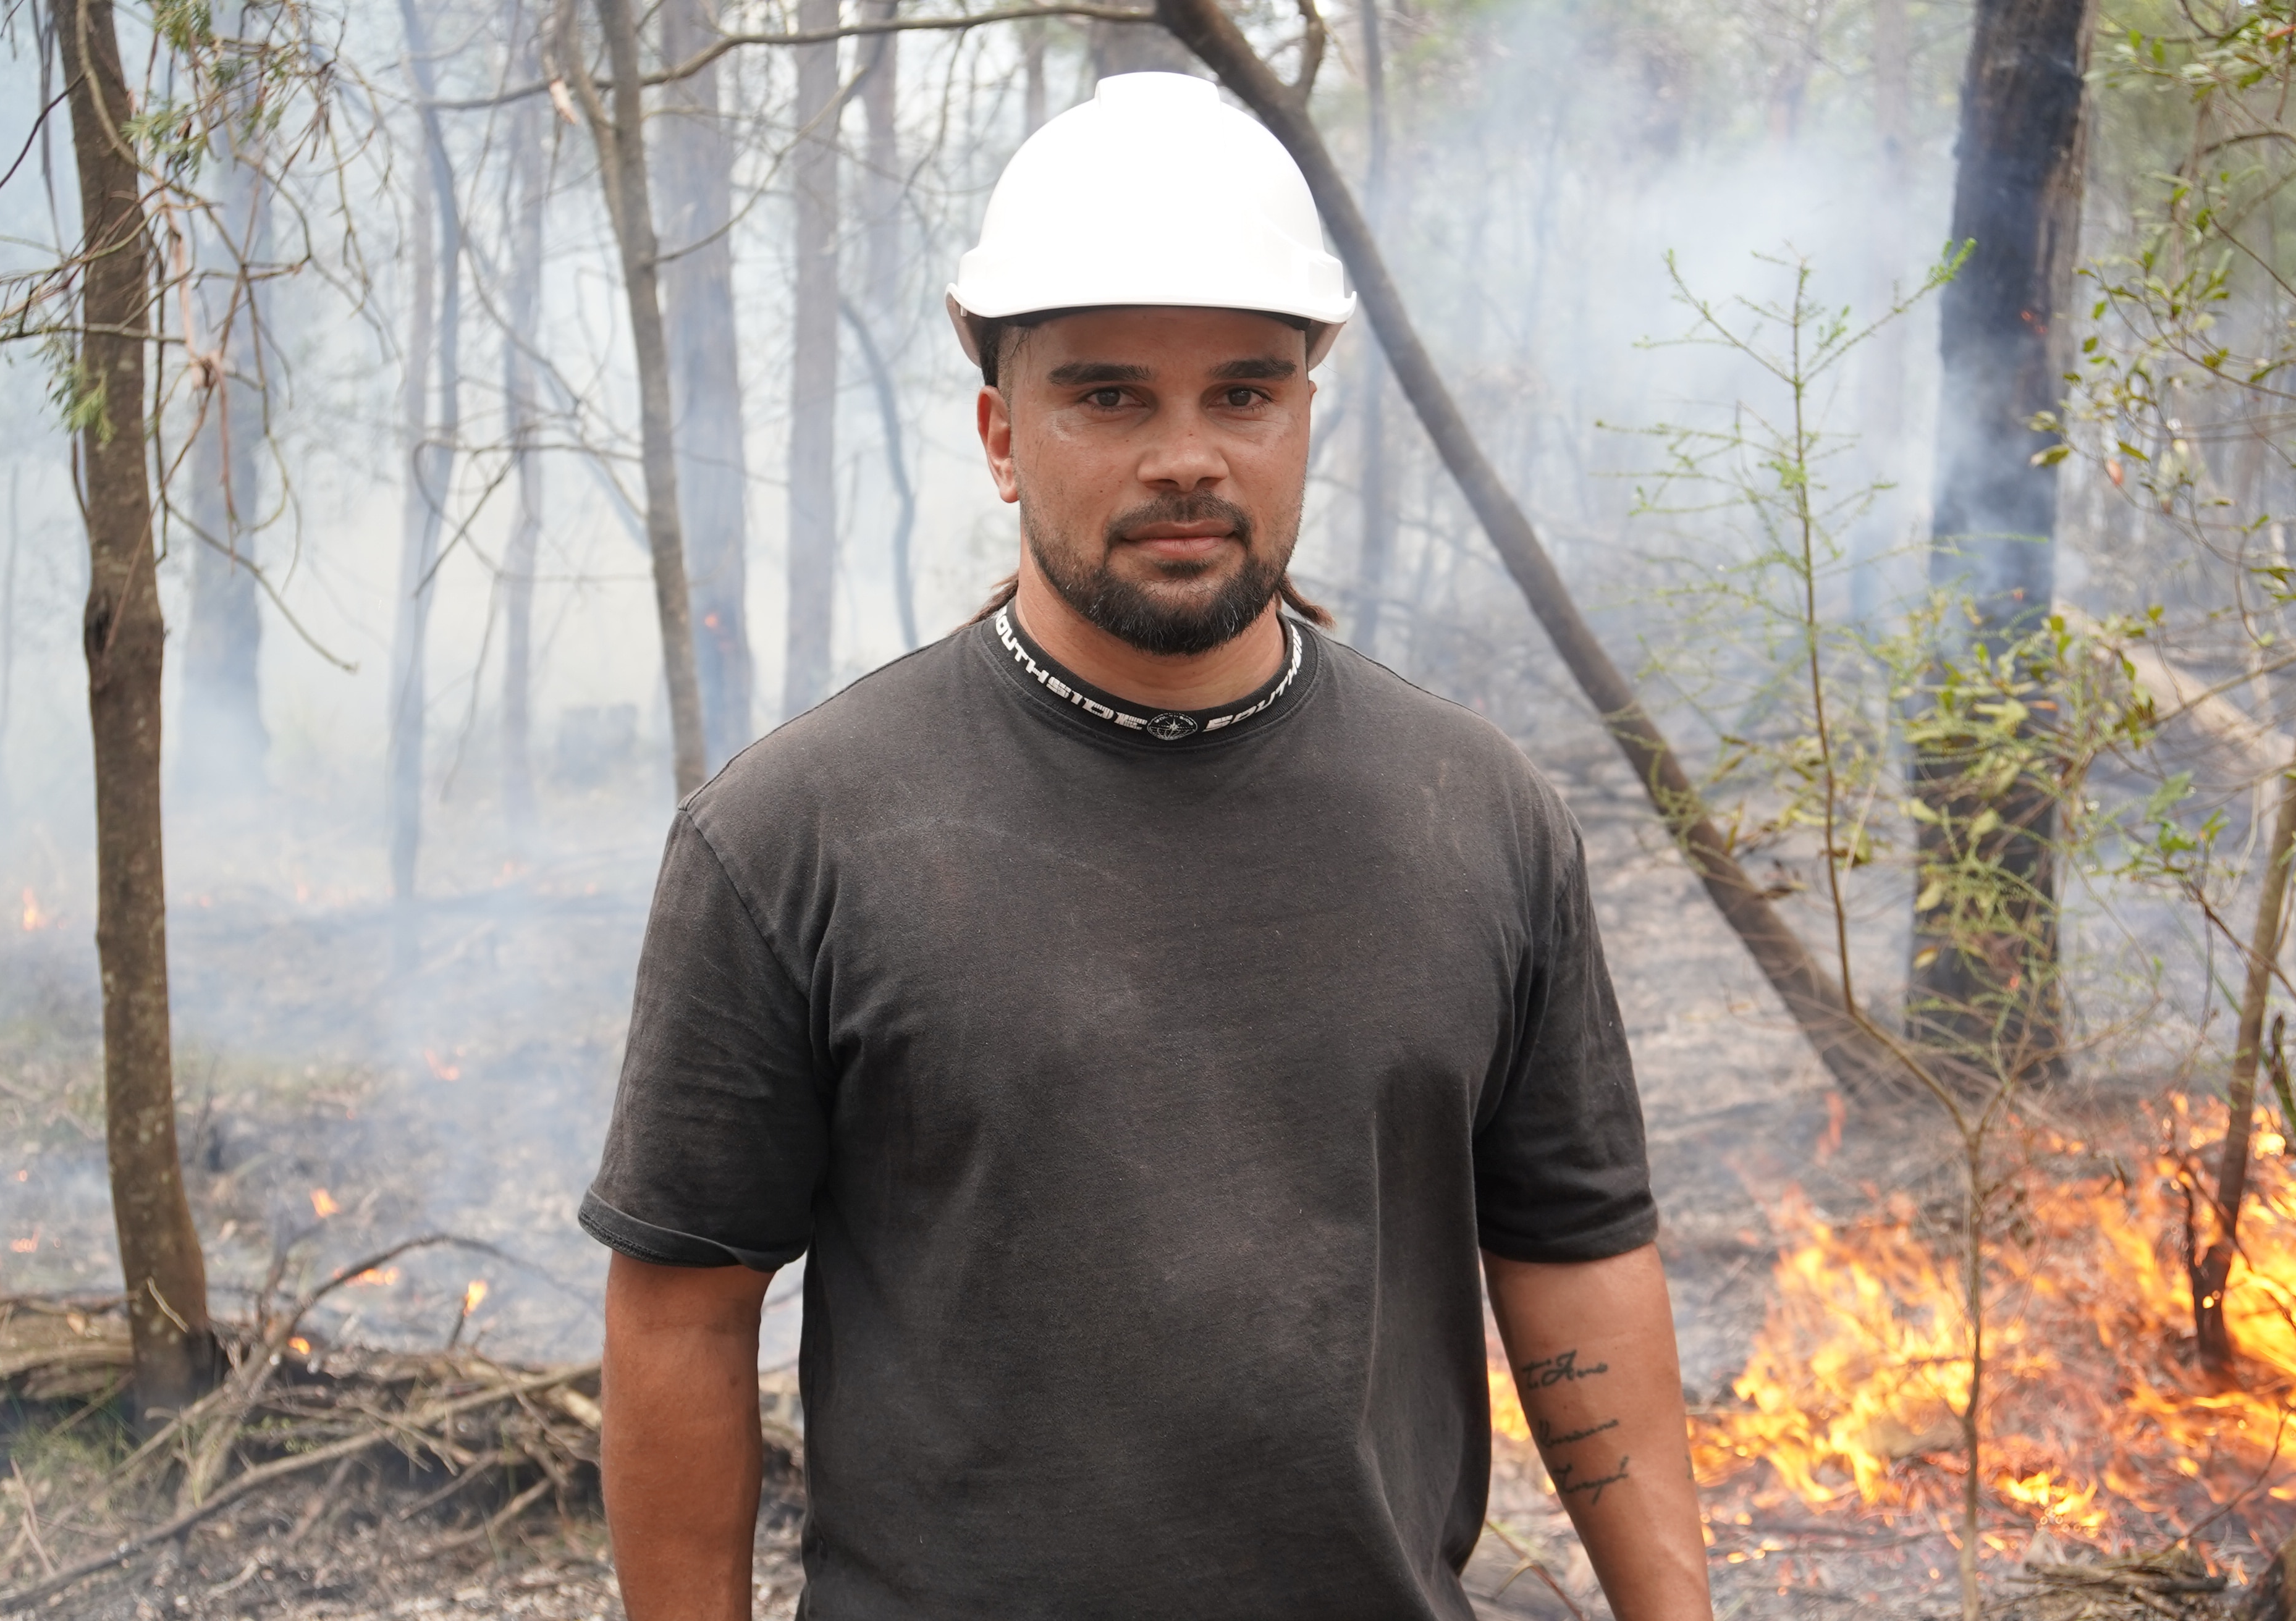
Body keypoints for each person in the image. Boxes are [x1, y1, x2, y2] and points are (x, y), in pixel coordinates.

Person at [581, 70, 1711, 1621]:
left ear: (1305, 410)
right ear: (999, 432)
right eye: (1110, 396)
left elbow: (1575, 1253)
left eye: (1242, 392)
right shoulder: (795, 833)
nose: (1187, 456)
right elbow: (681, 1317)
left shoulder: (1483, 814)